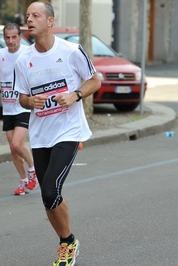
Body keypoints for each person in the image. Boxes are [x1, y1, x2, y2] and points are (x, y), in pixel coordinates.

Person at [14, 2, 101, 266]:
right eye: (28, 16)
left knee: (51, 191)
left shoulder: (71, 51)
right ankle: (67, 241)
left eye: (36, 15)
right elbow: (22, 98)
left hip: (68, 131)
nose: (29, 20)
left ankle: (67, 243)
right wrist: (32, 102)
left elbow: (95, 81)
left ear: (50, 21)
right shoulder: (23, 59)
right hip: (41, 135)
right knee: (46, 197)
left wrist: (75, 95)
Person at [0, 23, 38, 196]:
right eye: (7, 37)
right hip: (7, 108)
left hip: (23, 105)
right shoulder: (1, 55)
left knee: (17, 143)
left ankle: (33, 171)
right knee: (13, 148)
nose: (10, 41)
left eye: (14, 37)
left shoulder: (27, 53)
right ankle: (23, 181)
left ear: (20, 36)